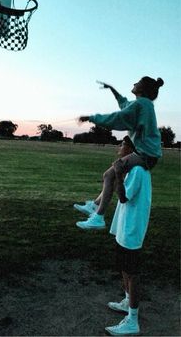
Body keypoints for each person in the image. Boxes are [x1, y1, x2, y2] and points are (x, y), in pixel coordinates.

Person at [75, 76, 163, 230]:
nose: (134, 83)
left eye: (137, 82)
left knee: (110, 175)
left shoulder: (142, 104)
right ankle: (95, 206)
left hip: (146, 155)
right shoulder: (143, 104)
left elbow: (118, 117)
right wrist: (112, 90)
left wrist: (91, 118)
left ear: (142, 89)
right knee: (110, 176)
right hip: (146, 153)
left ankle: (99, 217)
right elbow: (124, 104)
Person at [104, 163, 152, 335]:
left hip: (132, 230)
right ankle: (127, 301)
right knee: (124, 268)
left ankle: (132, 320)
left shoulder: (138, 170)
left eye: (123, 145)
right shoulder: (135, 169)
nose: (119, 150)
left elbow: (123, 197)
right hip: (125, 227)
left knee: (132, 274)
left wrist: (117, 174)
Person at [74, 135, 136, 228]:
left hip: (139, 154)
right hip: (138, 153)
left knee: (108, 175)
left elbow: (122, 198)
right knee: (110, 177)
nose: (119, 146)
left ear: (130, 149)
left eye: (123, 144)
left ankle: (98, 215)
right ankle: (95, 207)